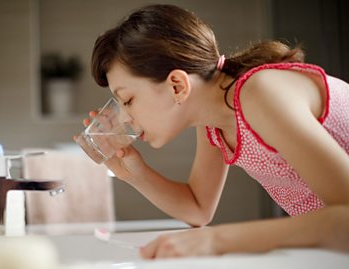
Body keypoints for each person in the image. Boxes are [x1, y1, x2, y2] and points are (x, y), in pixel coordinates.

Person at [77, 4, 349, 258]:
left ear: (177, 86)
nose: (123, 117)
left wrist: (218, 240)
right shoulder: (213, 119)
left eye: (127, 100)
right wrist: (134, 174)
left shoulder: (261, 93)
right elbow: (198, 209)